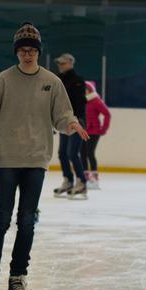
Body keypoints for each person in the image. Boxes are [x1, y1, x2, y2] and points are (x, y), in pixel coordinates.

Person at [0, 22, 88, 290]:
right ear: (17, 52)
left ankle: (18, 276)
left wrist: (72, 123)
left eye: (32, 50)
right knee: (2, 219)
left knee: (27, 220)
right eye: (23, 50)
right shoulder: (3, 81)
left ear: (39, 52)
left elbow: (61, 115)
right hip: (6, 162)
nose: (27, 55)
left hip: (36, 162)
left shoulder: (51, 81)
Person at [53, 53, 88, 199]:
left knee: (72, 153)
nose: (60, 66)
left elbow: (80, 103)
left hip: (76, 121)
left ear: (70, 63)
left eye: (63, 63)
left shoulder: (78, 81)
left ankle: (81, 182)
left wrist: (77, 121)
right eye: (59, 63)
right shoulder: (58, 80)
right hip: (63, 122)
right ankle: (68, 180)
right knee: (62, 153)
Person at [82, 81, 111, 190]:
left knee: (90, 153)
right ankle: (85, 176)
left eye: (85, 89)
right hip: (84, 131)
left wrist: (103, 129)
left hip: (94, 132)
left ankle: (94, 178)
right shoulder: (83, 101)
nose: (84, 91)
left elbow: (107, 114)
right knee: (82, 153)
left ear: (90, 90)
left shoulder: (96, 101)